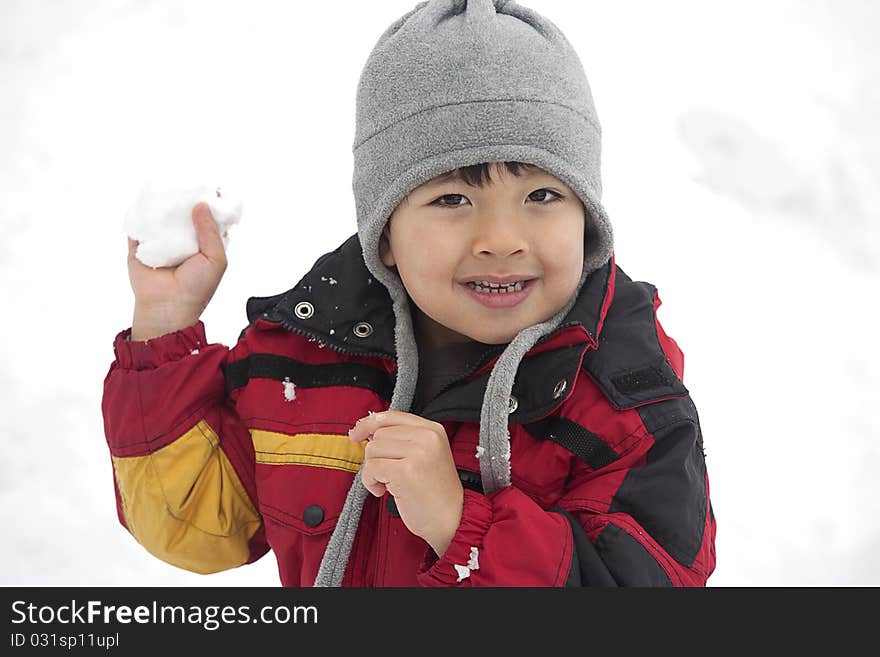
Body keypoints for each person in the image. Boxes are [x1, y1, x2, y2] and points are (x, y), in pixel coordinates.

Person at [103, 0, 716, 587]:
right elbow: (198, 526)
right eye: (452, 199)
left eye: (541, 196)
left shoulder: (623, 401)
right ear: (385, 235)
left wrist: (464, 528)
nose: (501, 240)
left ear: (587, 216)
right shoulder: (304, 360)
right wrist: (162, 326)